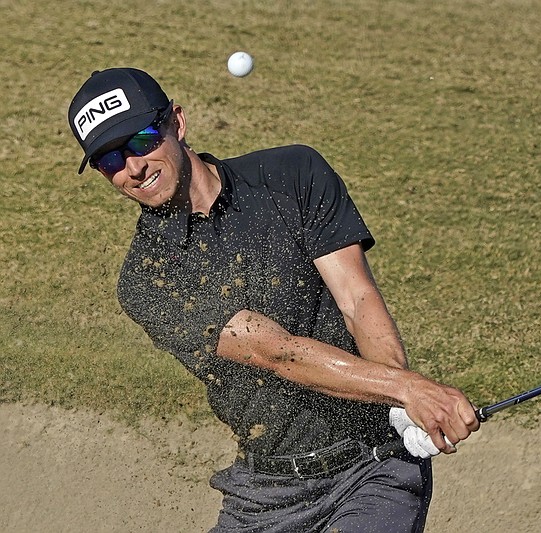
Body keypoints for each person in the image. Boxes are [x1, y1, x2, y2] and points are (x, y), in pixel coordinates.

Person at [67, 67, 479, 532]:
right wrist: (404, 389)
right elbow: (275, 351)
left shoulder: (292, 174)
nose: (133, 168)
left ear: (177, 122)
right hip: (266, 494)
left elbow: (357, 298)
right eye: (109, 160)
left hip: (373, 467)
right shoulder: (148, 278)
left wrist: (398, 405)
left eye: (142, 140)